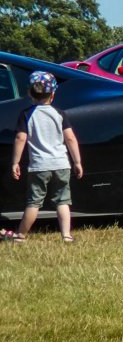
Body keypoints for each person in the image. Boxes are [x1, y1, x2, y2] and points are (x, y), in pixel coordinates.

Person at [9, 71, 83, 243]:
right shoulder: (60, 114)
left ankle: (21, 235)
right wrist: (77, 161)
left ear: (30, 93)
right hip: (61, 164)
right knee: (62, 201)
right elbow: (70, 138)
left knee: (33, 203)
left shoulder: (27, 114)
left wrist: (15, 162)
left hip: (39, 166)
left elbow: (20, 138)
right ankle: (66, 235)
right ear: (53, 94)